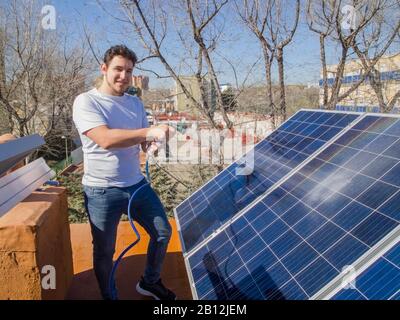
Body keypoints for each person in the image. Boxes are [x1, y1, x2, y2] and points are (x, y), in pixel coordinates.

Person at [72, 45, 176, 300]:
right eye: (118, 69)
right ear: (104, 69)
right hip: (101, 191)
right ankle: (110, 295)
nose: (123, 76)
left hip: (137, 186)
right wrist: (148, 132)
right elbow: (105, 139)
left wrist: (153, 143)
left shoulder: (135, 103)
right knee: (104, 251)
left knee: (163, 233)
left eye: (129, 71)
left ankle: (150, 282)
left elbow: (141, 142)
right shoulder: (87, 101)